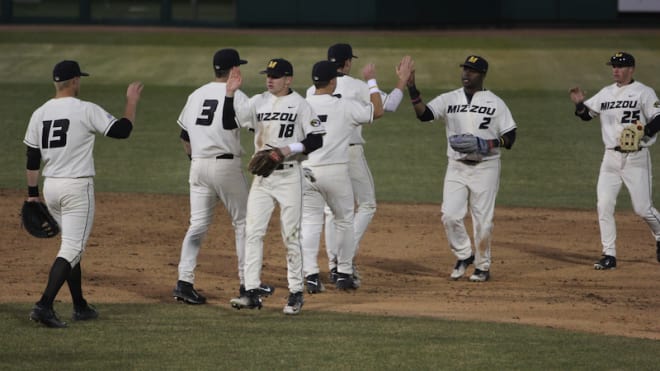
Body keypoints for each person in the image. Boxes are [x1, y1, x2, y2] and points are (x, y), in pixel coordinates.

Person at [23, 60, 143, 327]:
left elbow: (32, 157)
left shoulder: (39, 112)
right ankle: (43, 306)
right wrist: (131, 101)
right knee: (73, 248)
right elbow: (122, 131)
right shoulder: (85, 109)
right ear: (75, 81)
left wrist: (32, 195)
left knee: (70, 245)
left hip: (51, 186)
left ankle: (80, 305)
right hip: (76, 187)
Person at [172, 49, 274, 305]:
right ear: (234, 70)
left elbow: (184, 137)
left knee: (197, 225)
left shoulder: (196, 95)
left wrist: (196, 162)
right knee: (244, 224)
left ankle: (184, 283)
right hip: (226, 167)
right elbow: (257, 130)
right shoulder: (237, 97)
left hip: (197, 166)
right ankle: (247, 284)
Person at [224, 58, 325, 315]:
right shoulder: (258, 101)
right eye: (268, 75)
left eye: (276, 76)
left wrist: (287, 149)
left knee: (290, 234)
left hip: (290, 177)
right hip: (263, 178)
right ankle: (251, 291)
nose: (270, 79)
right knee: (253, 233)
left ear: (288, 79)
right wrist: (229, 93)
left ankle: (295, 293)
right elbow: (229, 122)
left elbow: (315, 140)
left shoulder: (301, 104)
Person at [306, 44, 413, 285]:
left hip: (316, 156)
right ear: (347, 63)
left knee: (327, 212)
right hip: (348, 153)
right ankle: (345, 259)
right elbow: (388, 106)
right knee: (366, 205)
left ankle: (333, 265)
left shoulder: (310, 92)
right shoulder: (356, 86)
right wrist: (401, 81)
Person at [407, 55, 517, 282]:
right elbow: (424, 115)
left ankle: (483, 266)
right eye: (465, 70)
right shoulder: (450, 98)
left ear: (482, 75)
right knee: (449, 215)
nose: (466, 74)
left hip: (486, 167)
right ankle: (465, 254)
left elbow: (510, 137)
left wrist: (488, 144)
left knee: (483, 221)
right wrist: (412, 88)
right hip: (456, 166)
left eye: (472, 71)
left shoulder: (495, 103)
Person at [569, 51, 660, 269]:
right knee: (604, 205)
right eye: (613, 66)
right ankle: (609, 254)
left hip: (636, 158)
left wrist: (644, 131)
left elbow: (659, 117)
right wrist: (580, 104)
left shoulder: (643, 92)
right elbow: (585, 115)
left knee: (642, 208)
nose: (615, 70)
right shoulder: (606, 93)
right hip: (610, 158)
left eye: (620, 66)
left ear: (631, 69)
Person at [301, 60, 383, 293]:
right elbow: (377, 111)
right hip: (336, 171)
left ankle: (311, 276)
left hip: (306, 171)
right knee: (344, 220)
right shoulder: (344, 106)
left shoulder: (301, 105)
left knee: (310, 222)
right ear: (333, 82)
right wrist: (371, 83)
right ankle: (343, 273)